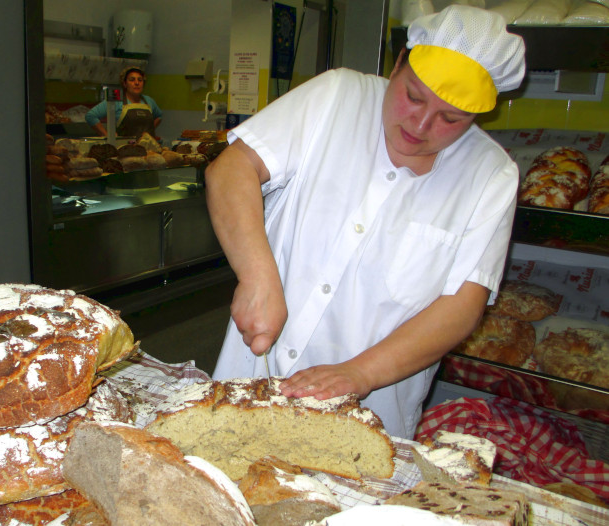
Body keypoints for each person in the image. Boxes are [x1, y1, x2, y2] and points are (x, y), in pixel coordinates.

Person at [206, 5, 526, 439]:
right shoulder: (337, 96)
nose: (421, 123)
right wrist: (258, 277)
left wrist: (359, 374)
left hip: (370, 423)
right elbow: (232, 170)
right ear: (398, 64)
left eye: (451, 118)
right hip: (248, 385)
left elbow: (461, 306)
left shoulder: (491, 176)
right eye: (414, 96)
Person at [85, 66, 163, 138]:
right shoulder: (117, 100)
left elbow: (159, 116)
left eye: (140, 80)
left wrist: (148, 133)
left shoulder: (149, 101)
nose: (137, 83)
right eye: (132, 80)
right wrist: (107, 135)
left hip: (148, 150)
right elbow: (90, 116)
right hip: (124, 149)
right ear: (125, 83)